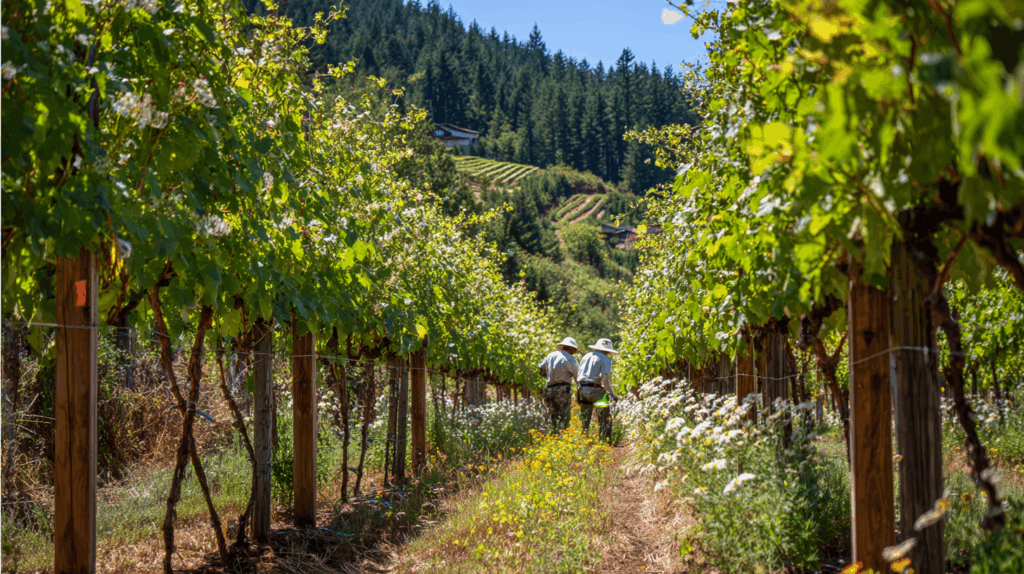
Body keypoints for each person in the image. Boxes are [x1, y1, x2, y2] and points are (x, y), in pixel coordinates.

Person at [577, 338, 618, 442]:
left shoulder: (586, 356)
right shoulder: (606, 359)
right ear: (608, 351)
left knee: (585, 418)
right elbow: (605, 381)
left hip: (582, 389)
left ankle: (583, 442)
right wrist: (612, 394)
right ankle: (605, 441)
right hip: (596, 390)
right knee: (604, 416)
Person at [538, 337, 580, 433]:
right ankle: (562, 437)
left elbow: (541, 367)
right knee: (563, 416)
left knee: (550, 415)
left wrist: (548, 376)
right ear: (570, 348)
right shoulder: (571, 360)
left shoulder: (550, 355)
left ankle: (550, 436)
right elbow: (578, 378)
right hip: (563, 391)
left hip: (549, 389)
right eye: (574, 349)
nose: (574, 352)